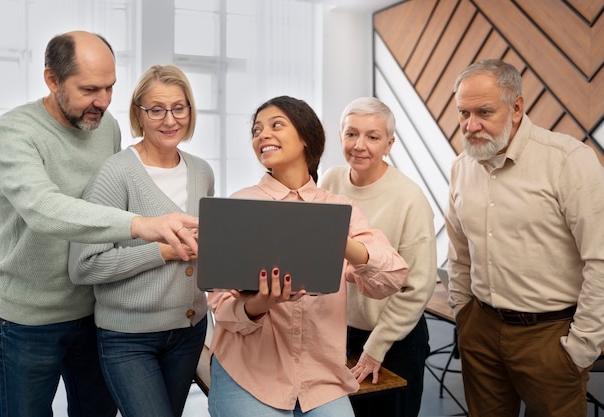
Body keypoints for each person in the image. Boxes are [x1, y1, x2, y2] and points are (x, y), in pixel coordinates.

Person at [0, 32, 199, 417]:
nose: (101, 101)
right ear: (52, 80)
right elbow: (43, 208)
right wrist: (140, 225)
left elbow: (109, 201)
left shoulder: (106, 126)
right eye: (89, 89)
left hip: (96, 312)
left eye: (110, 87)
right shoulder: (14, 133)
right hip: (31, 319)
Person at [206, 95, 410, 417]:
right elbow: (221, 306)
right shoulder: (240, 206)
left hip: (322, 380)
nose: (263, 135)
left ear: (305, 137)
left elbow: (392, 277)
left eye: (276, 125)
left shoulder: (341, 210)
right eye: (257, 130)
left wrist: (337, 241)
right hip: (250, 374)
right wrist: (260, 304)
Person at [445, 59, 604, 417]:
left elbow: (600, 259)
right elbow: (458, 252)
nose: (471, 125)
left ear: (517, 107)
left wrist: (582, 346)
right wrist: (464, 314)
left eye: (484, 111)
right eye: (463, 113)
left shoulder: (568, 160)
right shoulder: (461, 167)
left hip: (550, 335)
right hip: (480, 328)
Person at [68, 64, 213, 417]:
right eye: (156, 110)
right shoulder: (116, 173)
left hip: (190, 331)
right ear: (139, 114)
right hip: (128, 338)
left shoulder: (202, 171)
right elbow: (84, 266)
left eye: (179, 108)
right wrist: (164, 250)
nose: (169, 120)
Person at [320, 97, 436, 417]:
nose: (360, 145)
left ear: (389, 144)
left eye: (372, 137)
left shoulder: (410, 198)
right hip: (340, 333)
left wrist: (376, 347)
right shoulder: (330, 180)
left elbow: (418, 287)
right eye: (351, 134)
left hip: (393, 339)